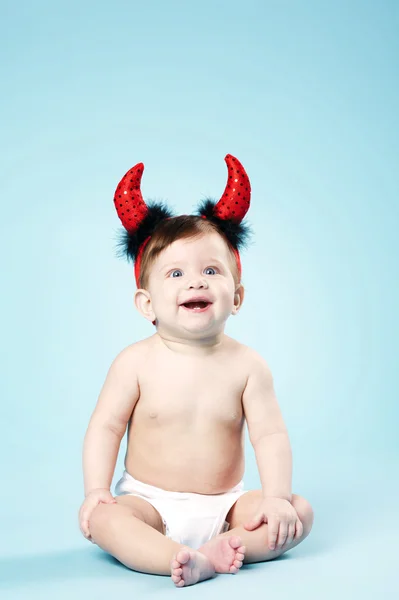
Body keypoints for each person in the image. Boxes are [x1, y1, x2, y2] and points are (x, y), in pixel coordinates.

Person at [78, 154, 314, 587]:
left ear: (237, 297)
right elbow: (106, 427)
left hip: (226, 506)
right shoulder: (134, 362)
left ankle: (216, 548)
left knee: (298, 513)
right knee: (108, 522)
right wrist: (97, 491)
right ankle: (180, 555)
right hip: (149, 502)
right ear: (146, 304)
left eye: (211, 270)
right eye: (175, 273)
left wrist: (276, 498)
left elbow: (270, 435)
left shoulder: (248, 365)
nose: (196, 282)